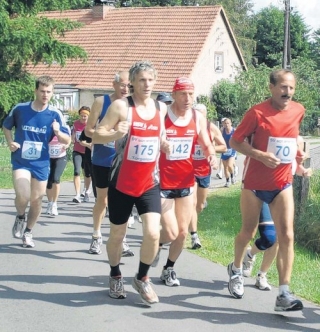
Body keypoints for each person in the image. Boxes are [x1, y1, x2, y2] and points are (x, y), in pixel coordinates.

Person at [92, 60, 170, 305]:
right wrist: (116, 133)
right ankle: (115, 273)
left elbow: (161, 135)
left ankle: (142, 277)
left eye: (150, 80)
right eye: (142, 80)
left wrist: (165, 143)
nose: (147, 84)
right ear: (133, 83)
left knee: (153, 233)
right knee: (117, 234)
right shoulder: (120, 107)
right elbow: (95, 134)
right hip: (122, 181)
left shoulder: (161, 108)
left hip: (149, 181)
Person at [227, 69, 305, 312]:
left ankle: (283, 293)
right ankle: (237, 270)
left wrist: (298, 156)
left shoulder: (298, 110)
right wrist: (258, 154)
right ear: (271, 87)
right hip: (255, 184)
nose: (287, 92)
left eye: (291, 88)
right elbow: (235, 141)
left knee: (287, 236)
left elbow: (293, 136)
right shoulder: (257, 112)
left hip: (282, 183)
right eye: (283, 87)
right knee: (248, 232)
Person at [153, 77, 218, 287]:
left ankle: (169, 268)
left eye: (191, 94)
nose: (187, 98)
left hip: (186, 182)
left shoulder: (197, 117)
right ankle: (155, 246)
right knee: (171, 231)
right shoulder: (163, 113)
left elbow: (206, 142)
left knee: (182, 233)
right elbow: (151, 134)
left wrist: (211, 155)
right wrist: (160, 142)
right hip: (162, 181)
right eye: (183, 94)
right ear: (174, 95)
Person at [2, 75, 71, 248]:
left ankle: (28, 232)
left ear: (52, 92)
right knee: (23, 195)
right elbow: (6, 125)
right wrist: (11, 142)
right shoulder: (20, 109)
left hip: (41, 162)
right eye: (42, 91)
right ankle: (20, 216)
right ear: (36, 91)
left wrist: (57, 132)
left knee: (37, 199)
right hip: (21, 160)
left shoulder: (55, 114)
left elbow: (67, 140)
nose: (45, 95)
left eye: (49, 92)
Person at [243, 139, 312, 291]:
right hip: (262, 191)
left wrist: (304, 171)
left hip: (282, 194)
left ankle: (262, 275)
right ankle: (249, 255)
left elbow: (296, 167)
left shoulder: (296, 144)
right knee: (269, 237)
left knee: (280, 238)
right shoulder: (273, 137)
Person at [85, 71, 134, 256]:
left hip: (125, 160)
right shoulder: (101, 102)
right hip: (102, 159)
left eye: (129, 85)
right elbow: (89, 131)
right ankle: (96, 235)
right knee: (103, 200)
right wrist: (106, 133)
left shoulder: (132, 106)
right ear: (114, 84)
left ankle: (122, 240)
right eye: (122, 84)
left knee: (123, 202)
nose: (125, 88)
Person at [189, 104, 227, 249]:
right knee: (192, 204)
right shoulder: (188, 126)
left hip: (204, 171)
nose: (198, 117)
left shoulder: (211, 128)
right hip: (189, 170)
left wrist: (209, 147)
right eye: (195, 114)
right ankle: (194, 236)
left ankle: (191, 220)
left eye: (201, 115)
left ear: (205, 115)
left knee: (199, 205)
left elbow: (224, 146)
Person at [46, 124, 71, 216]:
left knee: (56, 178)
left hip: (60, 157)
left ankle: (54, 204)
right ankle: (49, 203)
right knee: (49, 181)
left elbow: (69, 139)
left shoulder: (65, 127)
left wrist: (67, 145)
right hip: (48, 157)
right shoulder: (47, 127)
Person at [71, 106, 92, 203]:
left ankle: (87, 191)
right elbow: (73, 135)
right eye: (82, 116)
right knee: (77, 171)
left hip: (88, 151)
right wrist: (71, 139)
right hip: (77, 151)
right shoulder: (75, 124)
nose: (83, 118)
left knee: (87, 173)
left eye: (85, 116)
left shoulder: (91, 125)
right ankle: (77, 194)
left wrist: (88, 144)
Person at [221, 118, 237, 187]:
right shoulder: (222, 130)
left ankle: (232, 176)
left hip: (232, 149)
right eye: (225, 123)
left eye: (228, 123)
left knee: (230, 165)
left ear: (231, 123)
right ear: (223, 124)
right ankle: (227, 181)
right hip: (224, 150)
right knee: (225, 167)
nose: (226, 125)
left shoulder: (234, 130)